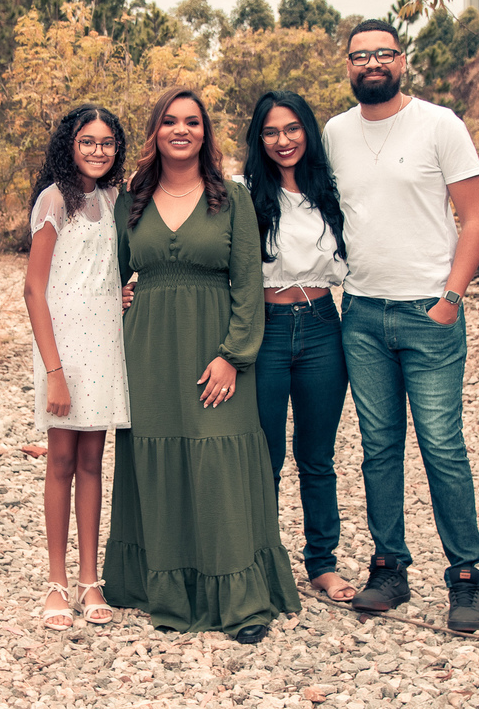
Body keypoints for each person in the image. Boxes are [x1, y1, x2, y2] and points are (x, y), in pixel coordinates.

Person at [103, 86, 300, 645]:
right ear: (155, 132)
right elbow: (108, 271)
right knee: (157, 457)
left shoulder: (230, 197)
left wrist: (234, 357)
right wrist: (117, 298)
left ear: (205, 133)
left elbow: (248, 284)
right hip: (149, 354)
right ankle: (164, 590)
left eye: (192, 121)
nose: (181, 130)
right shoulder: (131, 198)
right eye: (170, 121)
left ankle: (239, 602)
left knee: (220, 460)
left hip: (217, 350)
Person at [322, 19, 479, 632]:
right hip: (361, 313)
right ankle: (389, 568)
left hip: (429, 311)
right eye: (360, 55)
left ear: (402, 61)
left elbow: (475, 218)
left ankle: (465, 577)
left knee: (442, 447)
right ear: (347, 65)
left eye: (383, 53)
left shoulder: (440, 124)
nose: (372, 63)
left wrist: (451, 296)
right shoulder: (335, 132)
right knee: (379, 447)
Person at [240, 90, 356, 603]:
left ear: (307, 132)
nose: (282, 140)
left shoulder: (330, 190)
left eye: (291, 129)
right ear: (258, 139)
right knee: (262, 456)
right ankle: (260, 561)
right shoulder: (242, 193)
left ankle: (322, 564)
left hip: (321, 328)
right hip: (264, 329)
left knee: (317, 456)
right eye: (270, 131)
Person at [23, 105, 131, 630]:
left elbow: (104, 269)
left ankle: (91, 581)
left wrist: (121, 292)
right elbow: (33, 289)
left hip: (104, 343)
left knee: (93, 462)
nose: (97, 150)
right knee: (61, 462)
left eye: (107, 142)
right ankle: (56, 582)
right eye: (87, 140)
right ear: (69, 143)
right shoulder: (54, 199)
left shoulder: (113, 198)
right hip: (63, 349)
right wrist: (54, 371)